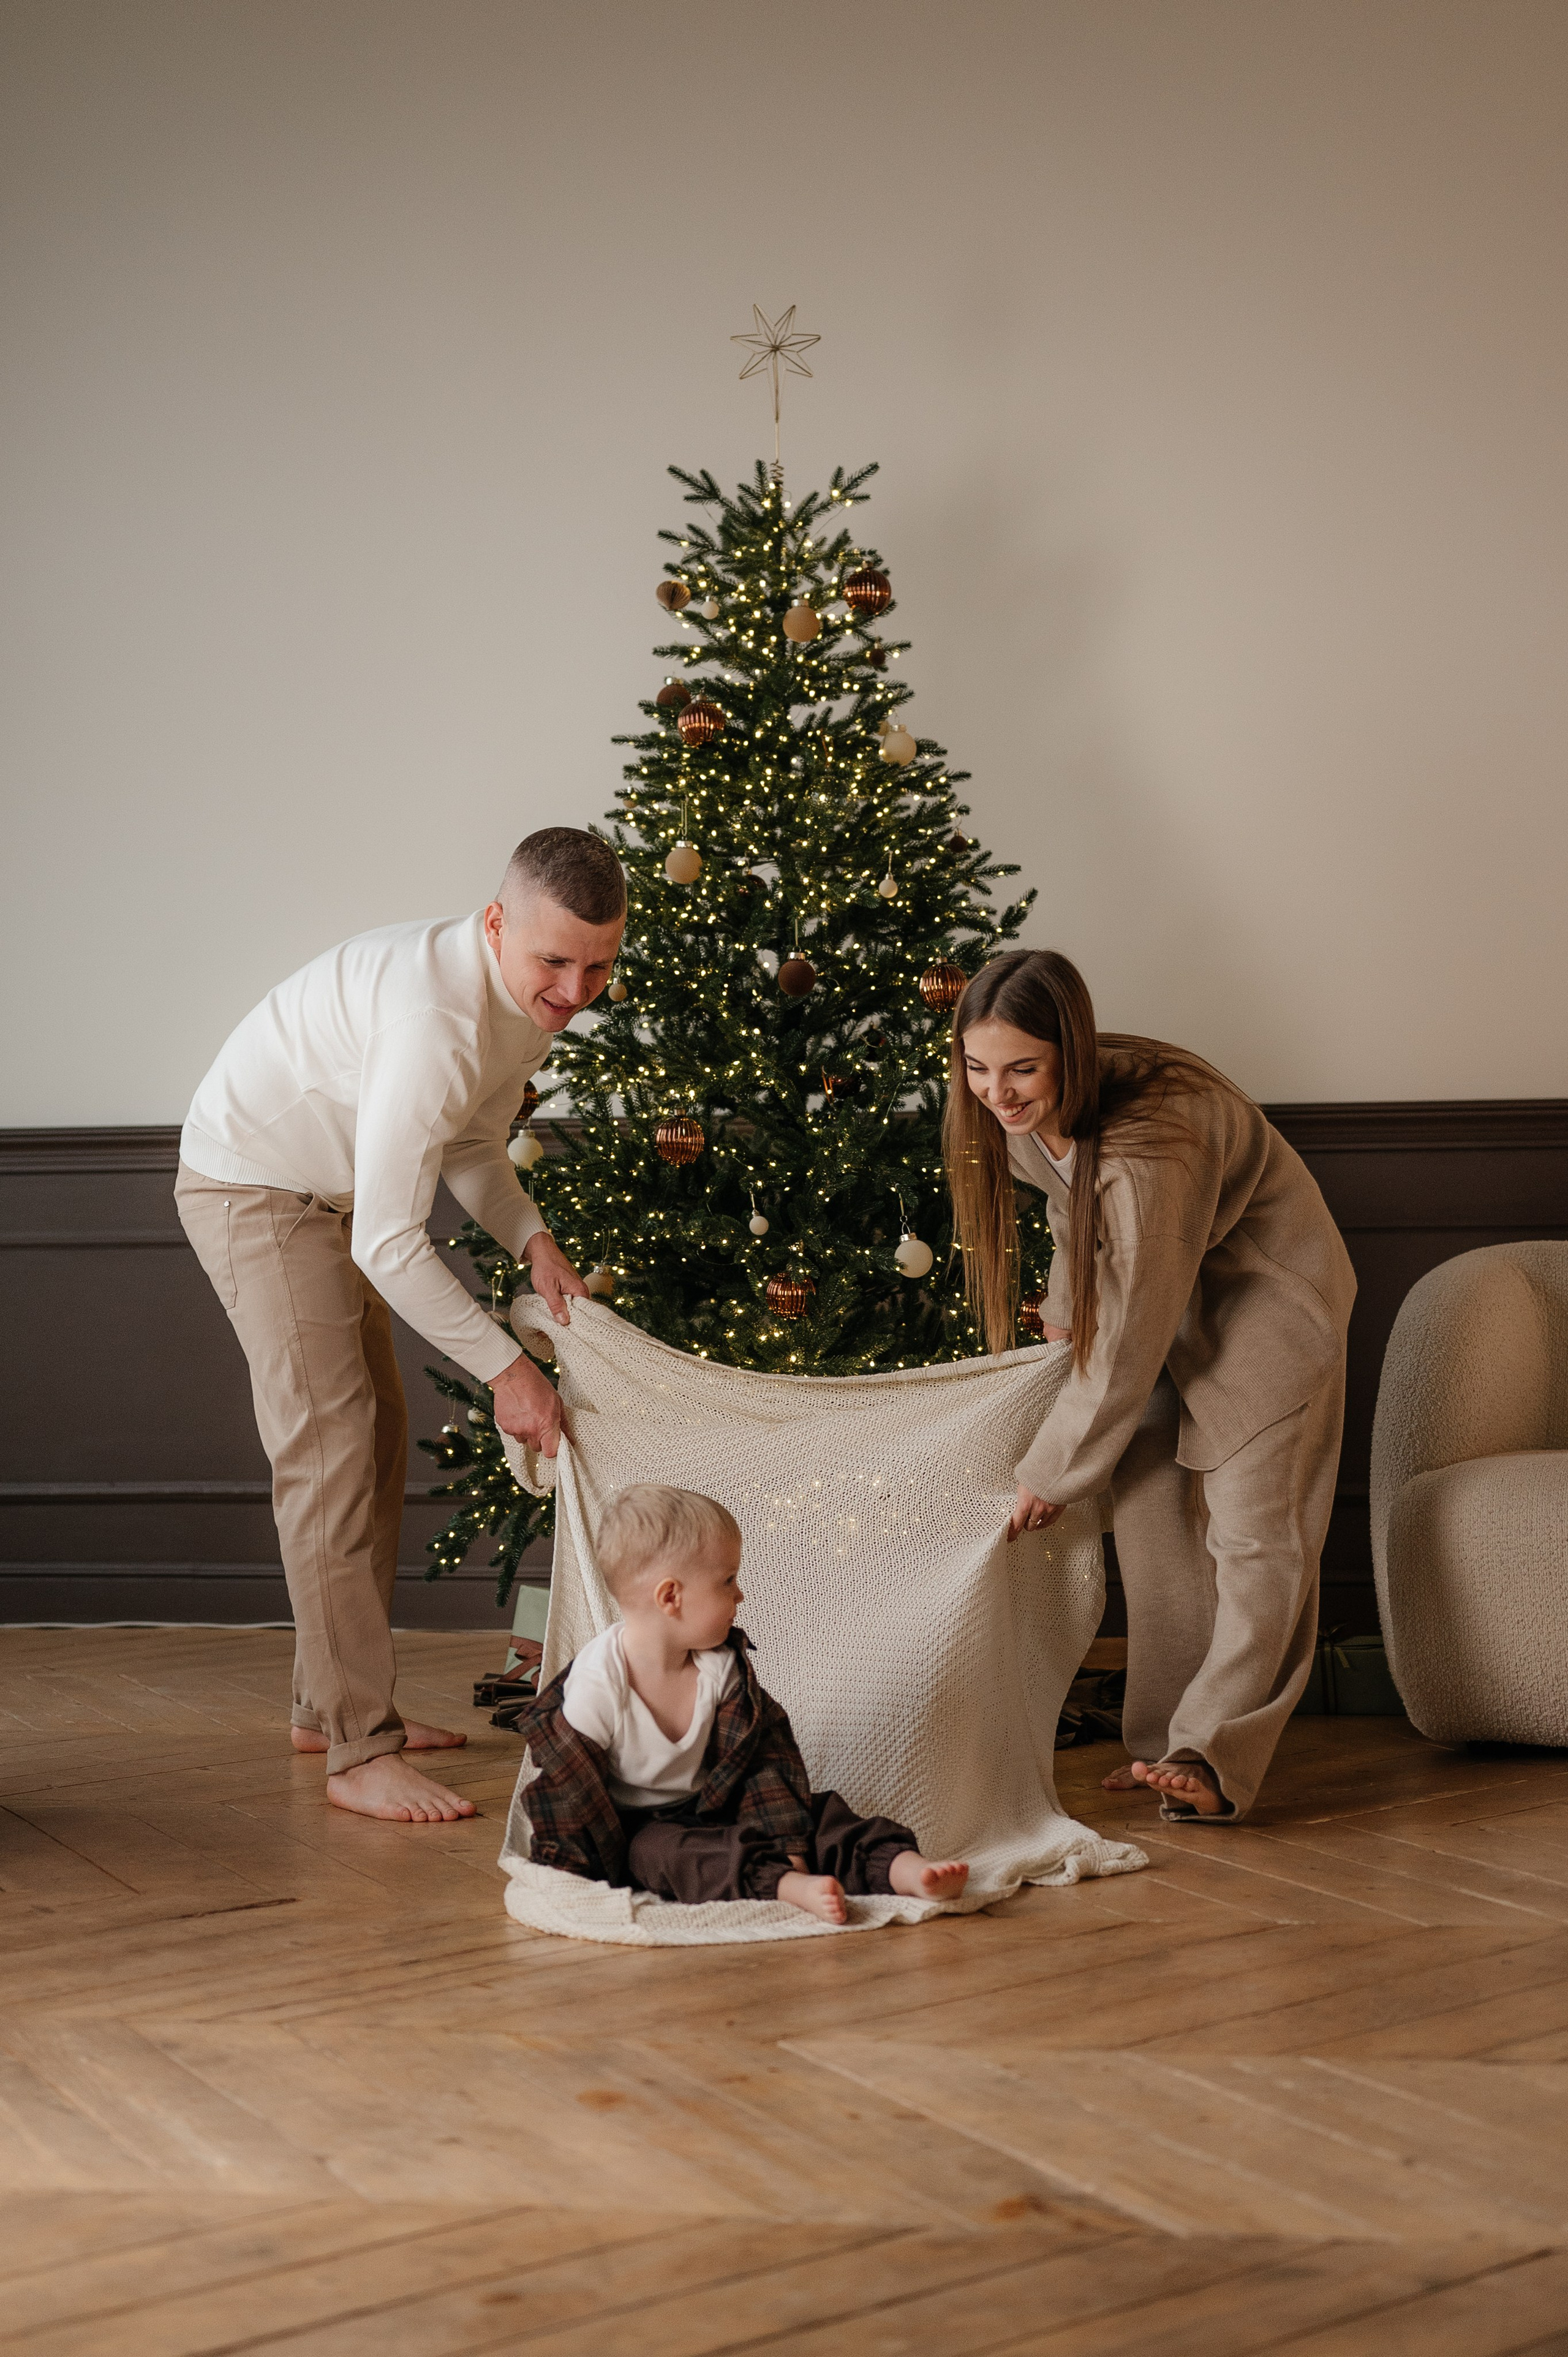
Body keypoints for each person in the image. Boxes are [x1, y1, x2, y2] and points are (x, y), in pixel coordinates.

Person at [175, 828, 625, 1823]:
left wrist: (532, 1239)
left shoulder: (523, 996)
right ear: (497, 922)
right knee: (331, 1451)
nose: (576, 989)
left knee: (371, 1438)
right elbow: (391, 1241)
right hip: (255, 1186)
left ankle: (328, 1705)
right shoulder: (433, 1016)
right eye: (555, 961)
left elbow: (468, 1139)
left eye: (600, 964)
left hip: (328, 1195)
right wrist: (510, 1371)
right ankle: (355, 1746)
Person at [944, 949, 1355, 1823]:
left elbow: (1127, 1330)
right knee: (1155, 1521)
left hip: (1265, 1299)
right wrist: (1061, 1308)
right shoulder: (1035, 1115)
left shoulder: (1150, 1148)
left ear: (1072, 1052)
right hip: (1170, 1292)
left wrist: (1052, 1472)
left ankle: (1214, 1753)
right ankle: (1167, 1741)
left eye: (1022, 1067)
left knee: (1257, 1536)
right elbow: (1074, 1215)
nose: (998, 1092)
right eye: (977, 1067)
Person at [514, 1485, 971, 1922]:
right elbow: (567, 1792)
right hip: (639, 1826)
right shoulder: (598, 1684)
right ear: (671, 1596)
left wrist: (788, 1838)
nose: (740, 1594)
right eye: (728, 1580)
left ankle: (900, 1866)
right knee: (667, 1853)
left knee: (822, 1812)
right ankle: (786, 1886)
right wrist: (566, 1874)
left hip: (720, 1805)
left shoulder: (719, 1667)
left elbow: (766, 1757)